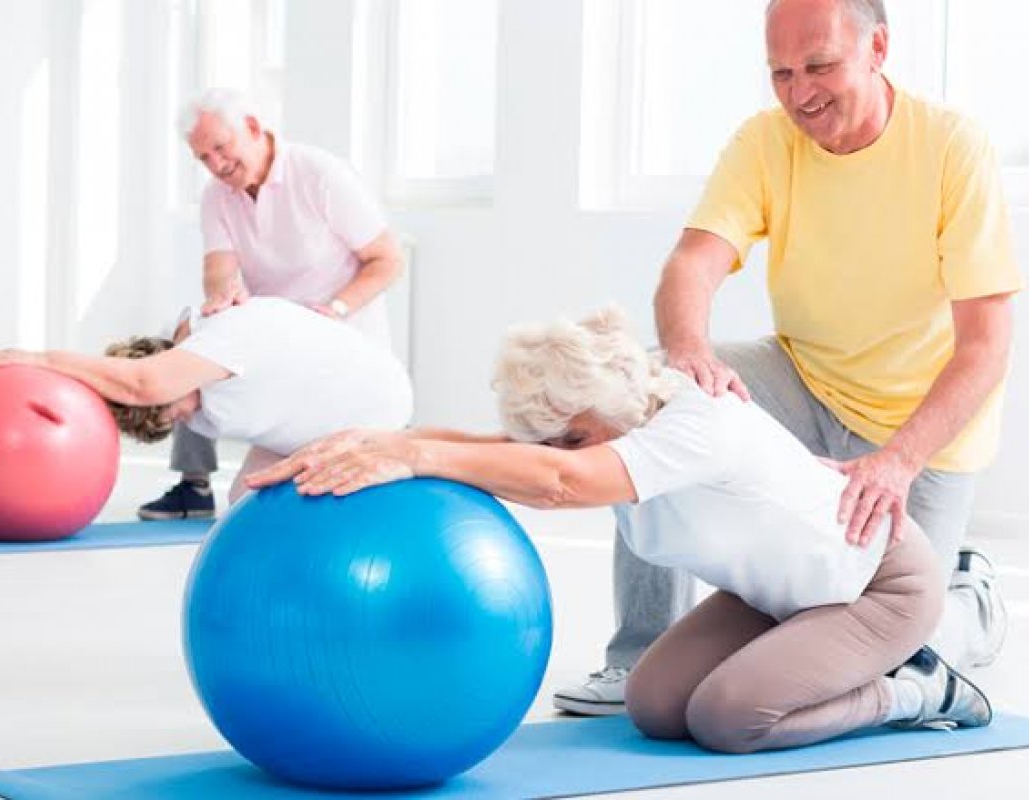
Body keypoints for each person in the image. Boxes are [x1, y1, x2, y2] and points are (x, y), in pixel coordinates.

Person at [555, 0, 1022, 715]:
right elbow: (693, 263)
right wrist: (687, 353)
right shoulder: (766, 142)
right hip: (807, 379)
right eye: (781, 73)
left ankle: (973, 603)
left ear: (879, 48)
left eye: (821, 66)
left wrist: (897, 461)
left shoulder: (952, 147)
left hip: (917, 426)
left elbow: (987, 348)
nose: (801, 92)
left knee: (893, 631)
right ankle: (637, 655)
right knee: (647, 391)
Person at [246, 307, 991, 754]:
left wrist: (413, 456)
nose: (555, 453)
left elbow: (561, 481)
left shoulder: (695, 423)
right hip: (783, 597)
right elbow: (521, 456)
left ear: (598, 412)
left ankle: (916, 691)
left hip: (879, 586)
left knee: (729, 719)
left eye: (567, 438)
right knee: (655, 706)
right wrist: (374, 440)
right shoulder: (610, 427)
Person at [139, 88, 405, 520]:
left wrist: (335, 309)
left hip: (340, 341)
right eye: (203, 158)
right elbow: (219, 268)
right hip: (277, 344)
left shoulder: (319, 174)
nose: (216, 165)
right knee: (187, 337)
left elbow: (388, 259)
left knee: (297, 489)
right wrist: (222, 297)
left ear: (252, 127)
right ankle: (194, 483)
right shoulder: (216, 197)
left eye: (221, 149)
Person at [0, 298, 413, 503]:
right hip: (306, 424)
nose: (183, 416)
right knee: (242, 505)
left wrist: (39, 359)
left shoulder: (225, 336)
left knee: (276, 509)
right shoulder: (200, 399)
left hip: (371, 405)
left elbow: (142, 383)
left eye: (173, 407)